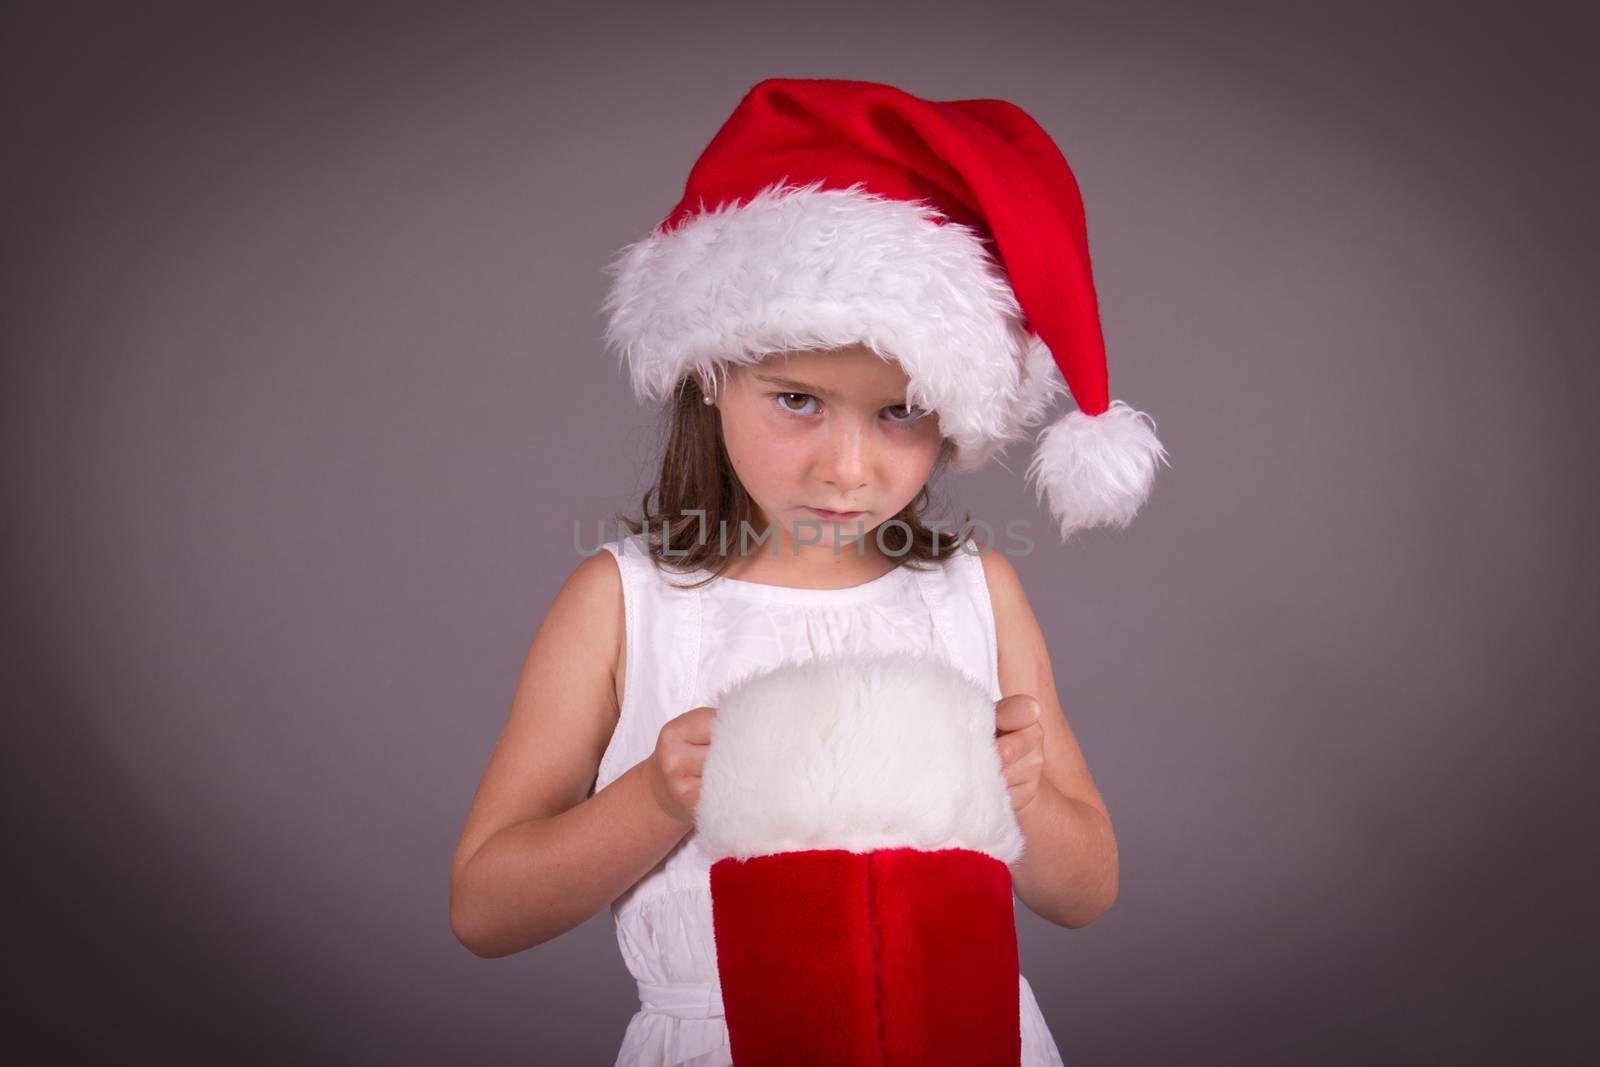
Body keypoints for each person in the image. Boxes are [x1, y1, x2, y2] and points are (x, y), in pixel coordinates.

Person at [450, 77, 1170, 1066]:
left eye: (899, 410)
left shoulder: (973, 592)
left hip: (962, 1034)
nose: (846, 465)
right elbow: (485, 905)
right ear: (712, 373)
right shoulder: (624, 604)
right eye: (796, 399)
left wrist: (1024, 792)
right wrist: (655, 797)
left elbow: (1085, 888)